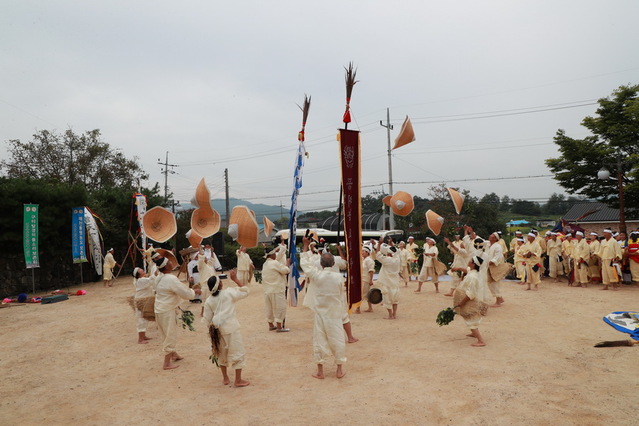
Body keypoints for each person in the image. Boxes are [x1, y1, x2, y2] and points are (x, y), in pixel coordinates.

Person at [300, 251, 347, 379]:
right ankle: (339, 370)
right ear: (333, 263)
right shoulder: (339, 278)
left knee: (319, 340)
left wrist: (305, 248)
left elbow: (305, 265)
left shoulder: (317, 275)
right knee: (338, 339)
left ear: (320, 264)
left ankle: (320, 371)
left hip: (321, 313)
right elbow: (341, 296)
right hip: (334, 313)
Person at [202, 271, 250, 387]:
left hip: (218, 330)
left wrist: (213, 332)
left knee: (220, 353)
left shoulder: (208, 301)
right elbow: (246, 291)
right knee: (238, 353)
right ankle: (238, 380)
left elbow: (206, 319)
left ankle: (225, 378)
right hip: (232, 328)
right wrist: (236, 280)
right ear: (220, 285)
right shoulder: (229, 293)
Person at [153, 254, 201, 370]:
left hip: (159, 308)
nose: (171, 262)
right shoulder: (170, 279)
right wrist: (194, 292)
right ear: (166, 266)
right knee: (170, 334)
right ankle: (166, 363)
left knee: (165, 333)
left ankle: (173, 354)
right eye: (169, 262)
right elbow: (185, 293)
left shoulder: (159, 277)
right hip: (166, 309)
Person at [452, 256, 490, 347]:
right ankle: (474, 334)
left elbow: (471, 293)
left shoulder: (473, 277)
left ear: (473, 264)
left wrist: (462, 302)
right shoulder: (472, 272)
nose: (468, 261)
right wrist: (457, 268)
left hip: (468, 300)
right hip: (465, 297)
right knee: (467, 317)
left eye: (470, 260)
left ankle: (481, 340)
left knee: (470, 319)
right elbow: (467, 270)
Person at [261, 247, 291, 332]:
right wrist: (287, 263)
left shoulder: (265, 264)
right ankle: (279, 326)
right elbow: (285, 270)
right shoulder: (274, 263)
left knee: (269, 308)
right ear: (272, 254)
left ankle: (271, 325)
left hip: (267, 290)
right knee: (280, 307)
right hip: (277, 289)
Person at [375, 240, 401, 319]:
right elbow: (396, 251)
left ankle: (390, 315)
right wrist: (391, 243)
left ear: (388, 253)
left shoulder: (387, 260)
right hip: (395, 283)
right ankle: (395, 314)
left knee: (387, 300)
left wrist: (379, 244)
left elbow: (378, 254)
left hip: (387, 283)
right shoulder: (397, 259)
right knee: (395, 300)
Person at [132, 267, 155, 344]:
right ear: (138, 274)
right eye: (141, 270)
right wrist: (156, 272)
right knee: (141, 319)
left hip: (144, 301)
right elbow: (151, 280)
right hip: (141, 302)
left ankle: (143, 336)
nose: (143, 270)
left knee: (144, 319)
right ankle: (140, 339)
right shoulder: (141, 280)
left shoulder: (142, 280)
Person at [485, 232, 506, 307]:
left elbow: (498, 257)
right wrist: (470, 232)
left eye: (491, 236)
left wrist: (490, 262)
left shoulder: (498, 246)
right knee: (490, 283)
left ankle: (498, 300)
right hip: (488, 266)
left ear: (495, 238)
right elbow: (478, 240)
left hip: (494, 267)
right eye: (490, 235)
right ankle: (500, 298)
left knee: (494, 283)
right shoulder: (487, 244)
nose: (490, 237)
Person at [355, 245, 375, 313]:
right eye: (362, 251)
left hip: (365, 279)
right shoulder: (364, 260)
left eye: (364, 251)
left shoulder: (369, 260)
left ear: (367, 253)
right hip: (362, 279)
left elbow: (371, 270)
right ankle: (370, 308)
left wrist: (370, 280)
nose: (362, 252)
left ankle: (358, 309)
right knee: (366, 294)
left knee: (361, 294)